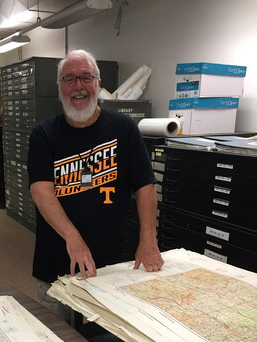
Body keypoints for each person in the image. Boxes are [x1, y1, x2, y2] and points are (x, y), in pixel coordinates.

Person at [27, 49, 164, 320]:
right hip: (57, 264)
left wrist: (148, 239)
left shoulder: (124, 128)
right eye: (69, 79)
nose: (78, 86)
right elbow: (41, 191)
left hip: (113, 263)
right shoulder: (43, 134)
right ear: (59, 87)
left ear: (98, 83)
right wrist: (73, 238)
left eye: (86, 78)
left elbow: (146, 186)